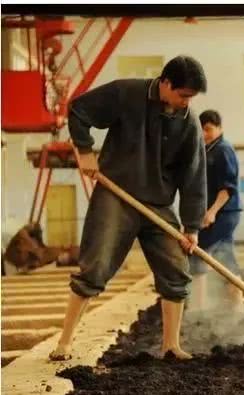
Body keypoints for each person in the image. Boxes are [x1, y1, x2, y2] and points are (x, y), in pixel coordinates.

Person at [49, 56, 208, 361]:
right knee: (94, 268)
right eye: (182, 95)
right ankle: (65, 342)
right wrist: (84, 151)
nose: (186, 102)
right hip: (116, 194)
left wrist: (191, 227)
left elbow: (194, 177)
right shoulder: (127, 94)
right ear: (164, 83)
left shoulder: (189, 124)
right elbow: (79, 110)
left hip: (158, 204)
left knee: (177, 270)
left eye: (191, 98)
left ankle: (171, 346)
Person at [188, 110, 244, 315]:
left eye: (209, 129)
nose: (204, 133)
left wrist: (211, 212)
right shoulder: (208, 149)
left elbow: (228, 188)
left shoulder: (223, 150)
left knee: (198, 253)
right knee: (226, 259)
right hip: (221, 212)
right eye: (201, 129)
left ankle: (197, 309)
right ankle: (237, 309)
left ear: (219, 128)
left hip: (224, 212)